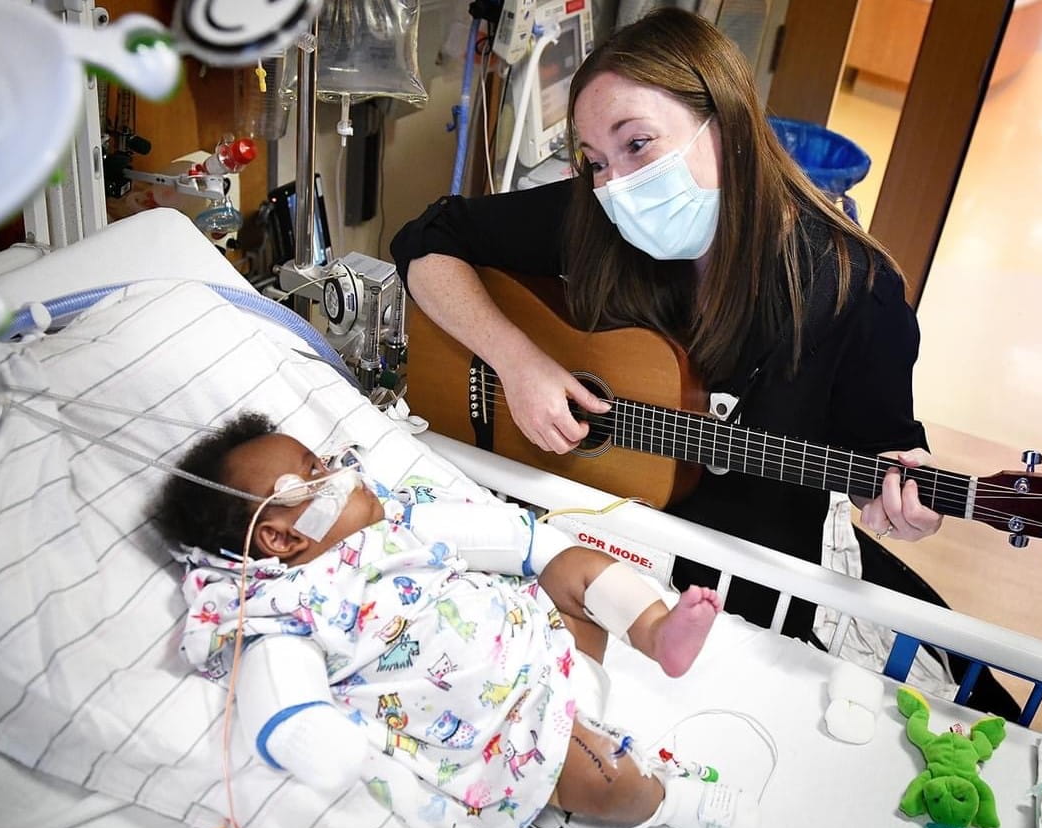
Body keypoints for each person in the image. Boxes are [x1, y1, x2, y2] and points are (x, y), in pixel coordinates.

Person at [390, 8, 942, 643]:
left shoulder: (854, 292)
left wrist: (903, 505)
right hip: (583, 523)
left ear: (727, 125)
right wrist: (518, 362)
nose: (617, 185)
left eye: (637, 143)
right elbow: (425, 242)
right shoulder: (600, 221)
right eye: (595, 161)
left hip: (738, 584)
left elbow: (887, 453)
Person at [153, 412, 759, 828]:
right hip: (508, 734)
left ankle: (655, 630)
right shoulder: (290, 611)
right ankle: (666, 801)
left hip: (546, 642)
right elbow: (281, 685)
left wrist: (545, 554)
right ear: (281, 537)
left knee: (572, 568)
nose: (341, 466)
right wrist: (302, 731)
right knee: (611, 782)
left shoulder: (393, 519)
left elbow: (513, 541)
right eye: (316, 469)